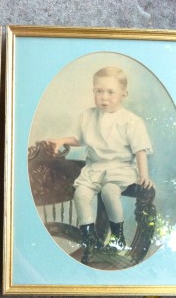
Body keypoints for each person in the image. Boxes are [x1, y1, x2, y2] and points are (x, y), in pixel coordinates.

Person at [49, 66, 153, 264]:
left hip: (119, 168)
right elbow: (79, 139)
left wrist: (144, 175)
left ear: (124, 94)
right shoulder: (88, 116)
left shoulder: (131, 121)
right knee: (80, 194)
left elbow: (140, 149)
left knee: (109, 192)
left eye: (110, 92)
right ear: (93, 91)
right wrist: (62, 140)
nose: (104, 97)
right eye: (99, 91)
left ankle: (117, 236)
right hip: (94, 168)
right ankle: (90, 242)